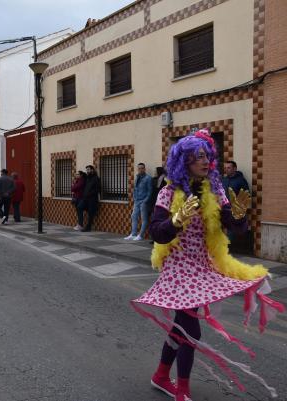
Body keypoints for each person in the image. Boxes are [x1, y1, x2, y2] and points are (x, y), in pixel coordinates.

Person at [131, 129, 283, 401]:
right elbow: (156, 232)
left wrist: (237, 215)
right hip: (178, 269)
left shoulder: (215, 190)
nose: (206, 161)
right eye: (198, 156)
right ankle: (182, 390)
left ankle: (161, 375)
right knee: (191, 327)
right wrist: (176, 220)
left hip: (203, 266)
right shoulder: (168, 193)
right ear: (184, 161)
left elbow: (234, 227)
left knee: (181, 326)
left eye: (207, 156)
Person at [125, 163, 152, 241]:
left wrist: (145, 201)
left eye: (142, 168)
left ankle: (141, 235)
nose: (140, 170)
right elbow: (135, 189)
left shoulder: (148, 178)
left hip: (143, 201)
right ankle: (133, 234)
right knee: (134, 216)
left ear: (144, 169)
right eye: (139, 168)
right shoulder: (137, 177)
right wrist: (134, 197)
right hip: (137, 201)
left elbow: (150, 191)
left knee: (144, 218)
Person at [78, 165, 100, 232]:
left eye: (88, 169)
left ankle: (88, 227)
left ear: (92, 170)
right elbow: (82, 176)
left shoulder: (96, 178)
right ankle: (80, 224)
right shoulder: (87, 178)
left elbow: (98, 189)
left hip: (92, 199)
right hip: (85, 198)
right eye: (86, 170)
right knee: (79, 207)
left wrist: (90, 194)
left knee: (91, 213)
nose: (87, 171)